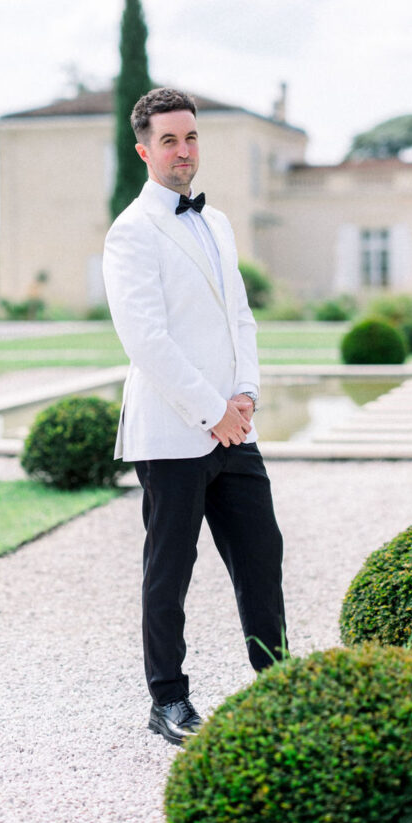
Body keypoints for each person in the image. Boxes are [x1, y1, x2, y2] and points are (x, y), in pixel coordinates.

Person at [102, 87, 287, 746]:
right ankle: (168, 702)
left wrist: (246, 397)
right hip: (174, 432)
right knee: (169, 571)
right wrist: (214, 412)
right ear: (145, 149)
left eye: (192, 138)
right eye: (170, 141)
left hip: (237, 428)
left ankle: (277, 688)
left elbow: (240, 318)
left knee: (262, 558)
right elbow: (146, 340)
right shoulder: (130, 231)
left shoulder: (219, 222)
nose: (184, 151)